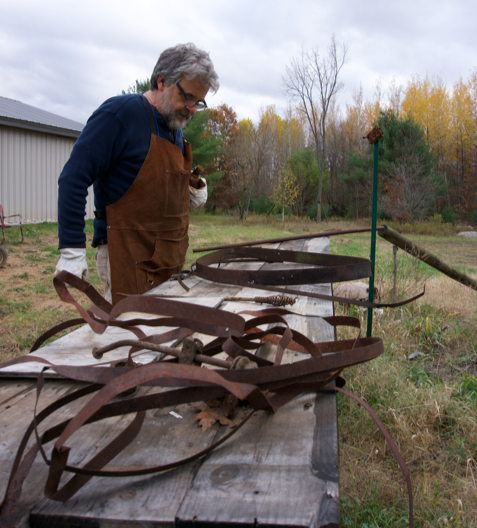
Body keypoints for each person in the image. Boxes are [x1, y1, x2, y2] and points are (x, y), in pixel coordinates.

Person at [55, 43, 219, 304]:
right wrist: (72, 251)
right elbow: (73, 178)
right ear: (162, 81)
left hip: (167, 260)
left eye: (198, 103)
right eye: (187, 97)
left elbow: (154, 188)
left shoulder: (174, 129)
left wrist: (188, 189)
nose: (190, 109)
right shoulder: (119, 115)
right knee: (125, 339)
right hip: (126, 257)